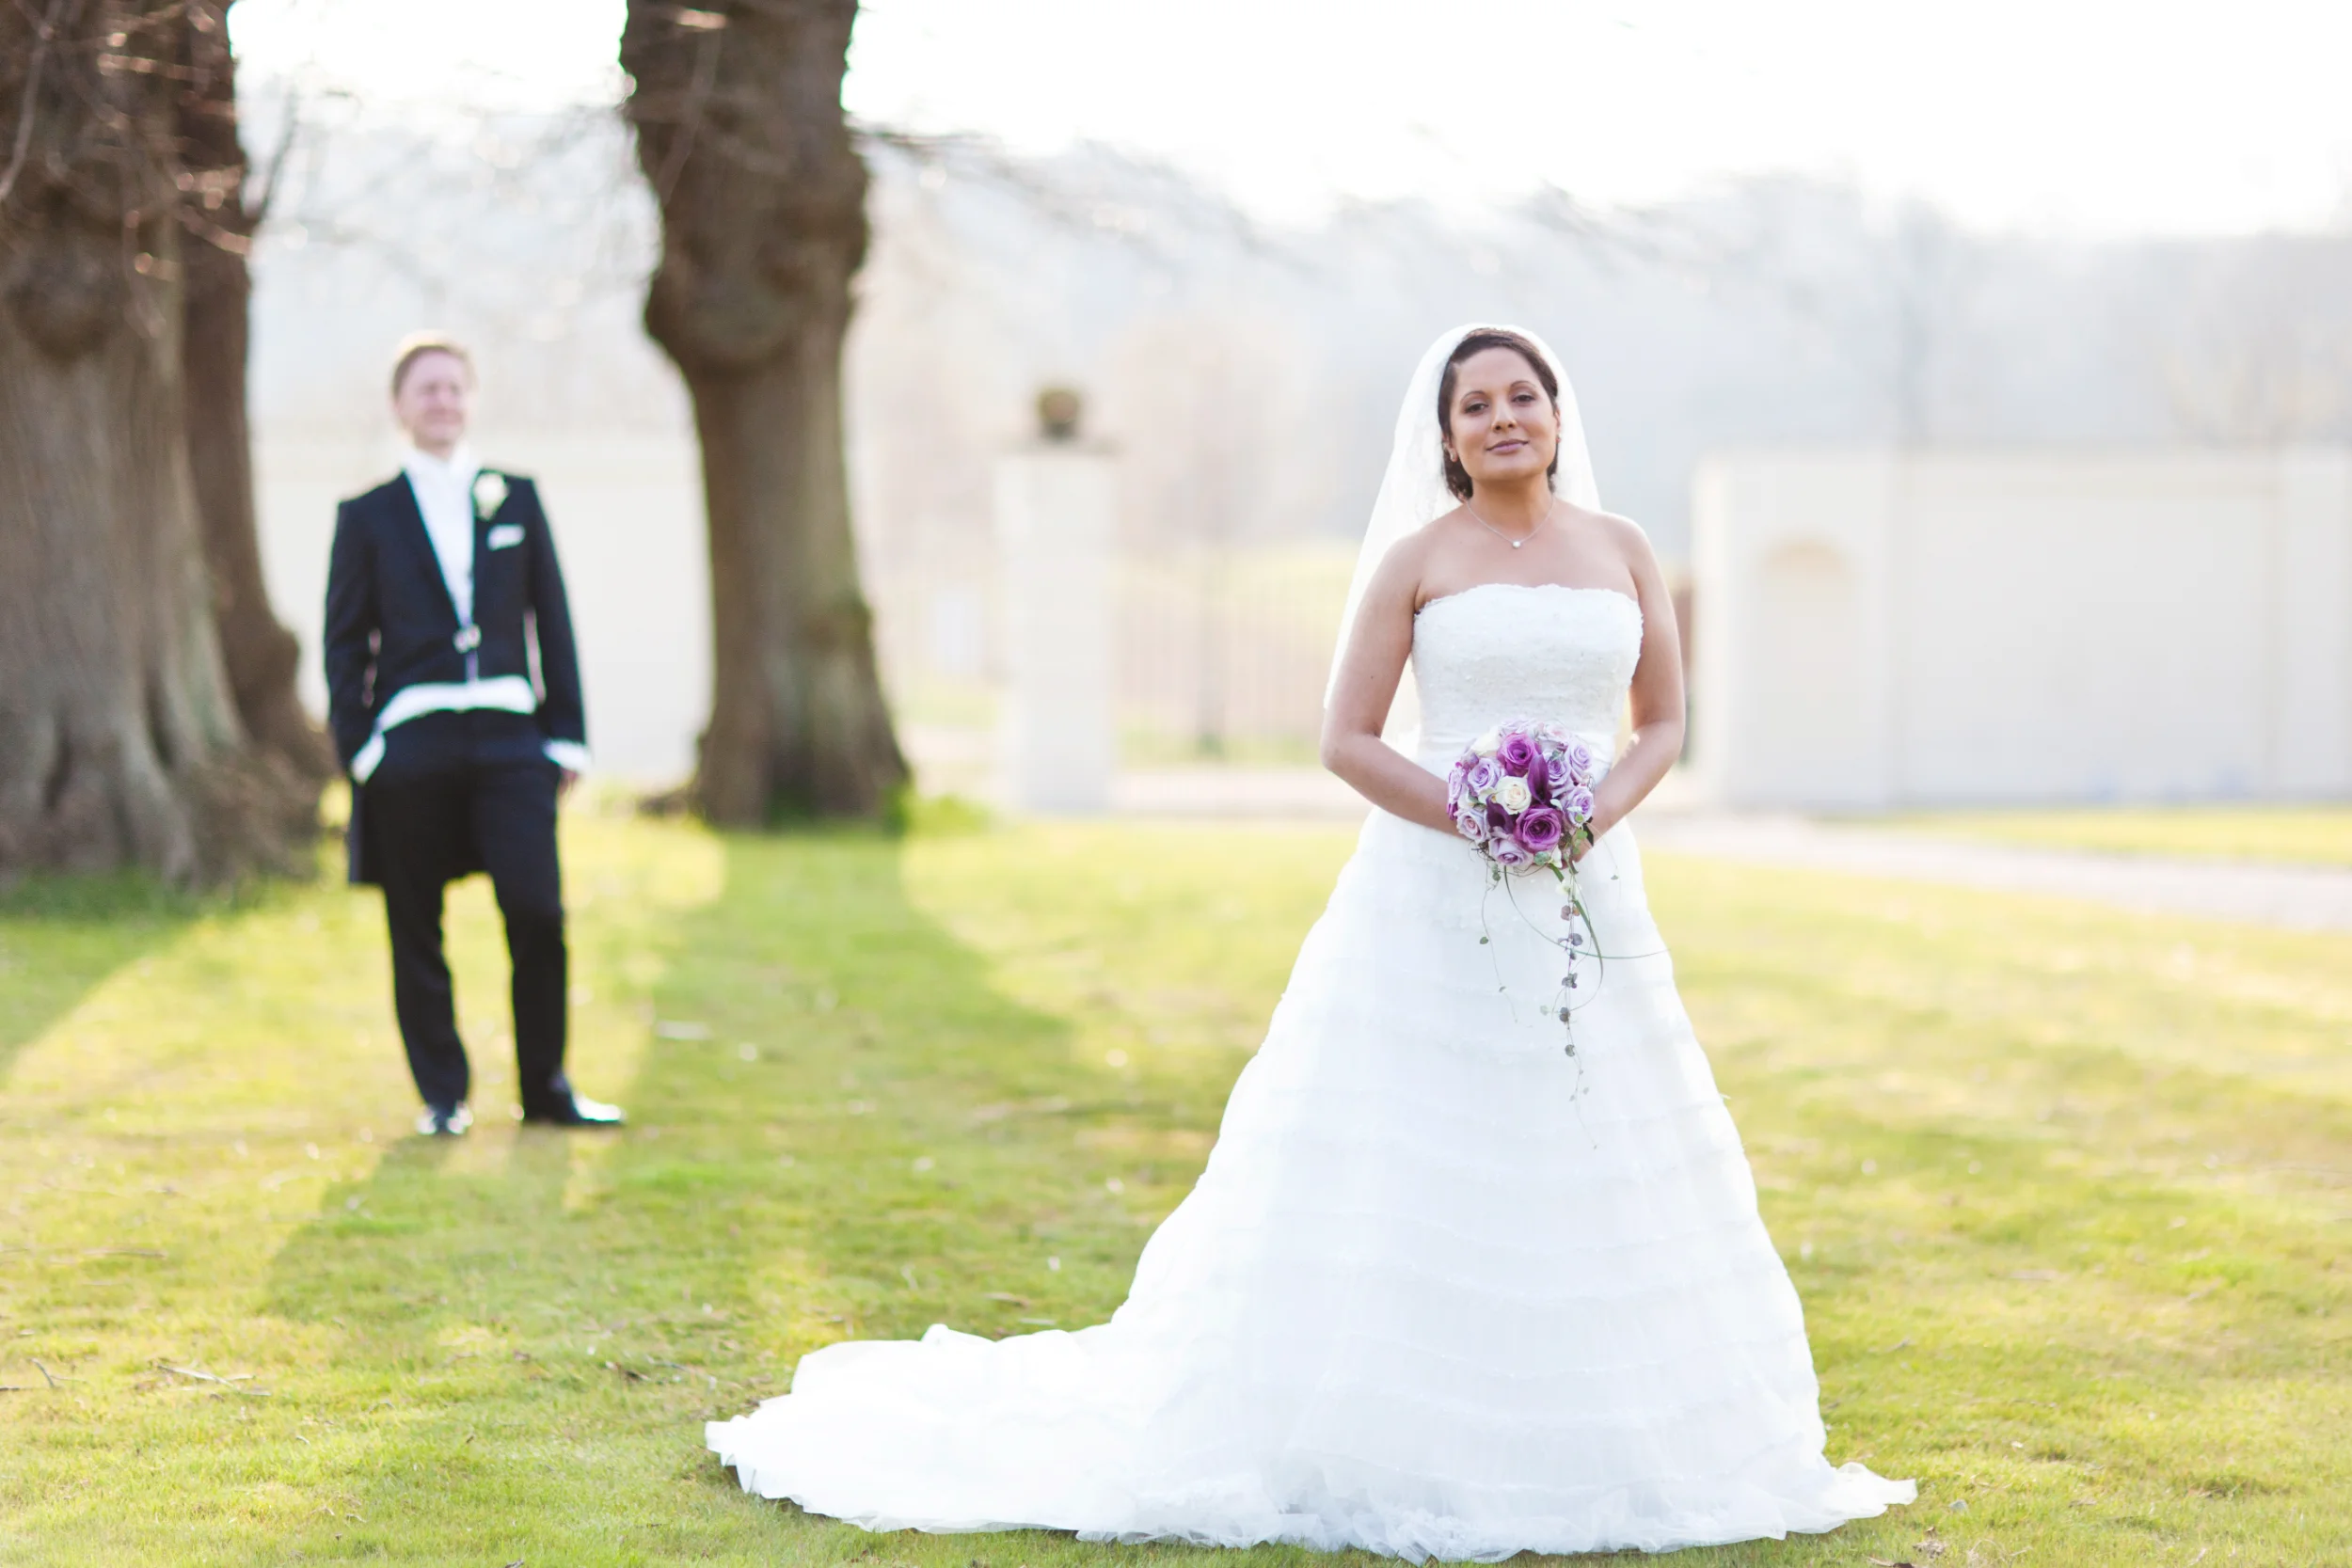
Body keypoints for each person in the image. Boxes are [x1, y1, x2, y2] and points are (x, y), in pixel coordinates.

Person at [704, 325, 1912, 1557]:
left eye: (1524, 396)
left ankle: (1592, 1421)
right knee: (1426, 1130)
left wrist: (1589, 807)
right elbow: (1347, 737)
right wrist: (1477, 812)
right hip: (1434, 887)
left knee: (1589, 1117)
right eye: (1477, 403)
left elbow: (1664, 717)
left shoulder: (1623, 550)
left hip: (1588, 886)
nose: (1504, 416)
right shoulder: (1418, 558)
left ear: (1558, 414)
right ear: (1445, 436)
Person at [323, 333, 623, 1137]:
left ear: (471, 398)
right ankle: (444, 1096)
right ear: (400, 406)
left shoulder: (514, 498)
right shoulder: (367, 516)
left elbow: (551, 619)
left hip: (509, 740)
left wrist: (566, 737)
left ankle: (547, 1085)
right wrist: (363, 751)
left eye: (455, 387)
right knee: (415, 920)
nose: (443, 401)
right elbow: (343, 643)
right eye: (427, 389)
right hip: (410, 744)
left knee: (537, 909)